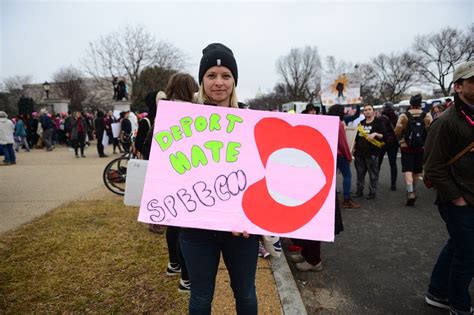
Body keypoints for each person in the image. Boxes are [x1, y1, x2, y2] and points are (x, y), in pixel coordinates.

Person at [178, 43, 259, 315]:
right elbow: (173, 175)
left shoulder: (250, 120)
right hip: (196, 227)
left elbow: (258, 175)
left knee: (246, 294)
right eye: (211, 75)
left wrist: (250, 216)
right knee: (201, 297)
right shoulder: (182, 122)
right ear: (202, 80)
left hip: (241, 229)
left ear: (234, 80)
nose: (219, 82)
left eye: (226, 75)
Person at [423, 60, 474, 315]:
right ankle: (459, 304)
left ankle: (437, 291)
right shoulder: (445, 122)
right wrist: (457, 199)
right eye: (472, 81)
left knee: (459, 245)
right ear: (458, 86)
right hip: (459, 200)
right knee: (468, 254)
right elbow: (432, 168)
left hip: (471, 194)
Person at [394, 94, 432, 206]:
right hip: (421, 147)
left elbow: (397, 131)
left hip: (406, 148)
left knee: (408, 170)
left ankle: (410, 192)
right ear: (420, 104)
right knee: (416, 170)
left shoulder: (404, 116)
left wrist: (402, 141)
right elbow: (431, 130)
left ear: (410, 104)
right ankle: (414, 190)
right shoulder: (427, 116)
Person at [327, 104, 360, 209]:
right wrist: (348, 155)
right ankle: (346, 199)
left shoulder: (327, 121)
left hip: (329, 153)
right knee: (347, 175)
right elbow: (342, 142)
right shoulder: (338, 123)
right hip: (339, 154)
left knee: (332, 177)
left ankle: (329, 199)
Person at [353, 104, 385, 199]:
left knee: (373, 174)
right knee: (360, 173)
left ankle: (372, 192)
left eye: (369, 109)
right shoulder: (361, 123)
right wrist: (353, 148)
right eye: (365, 110)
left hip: (372, 153)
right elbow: (356, 138)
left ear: (373, 111)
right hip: (359, 153)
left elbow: (384, 136)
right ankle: (359, 191)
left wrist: (375, 134)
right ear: (363, 112)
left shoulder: (379, 122)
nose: (367, 111)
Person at [378, 102, 399, 191]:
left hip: (382, 142)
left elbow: (379, 130)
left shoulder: (381, 118)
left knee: (378, 162)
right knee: (393, 163)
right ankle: (393, 184)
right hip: (393, 143)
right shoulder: (397, 117)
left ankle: (375, 180)